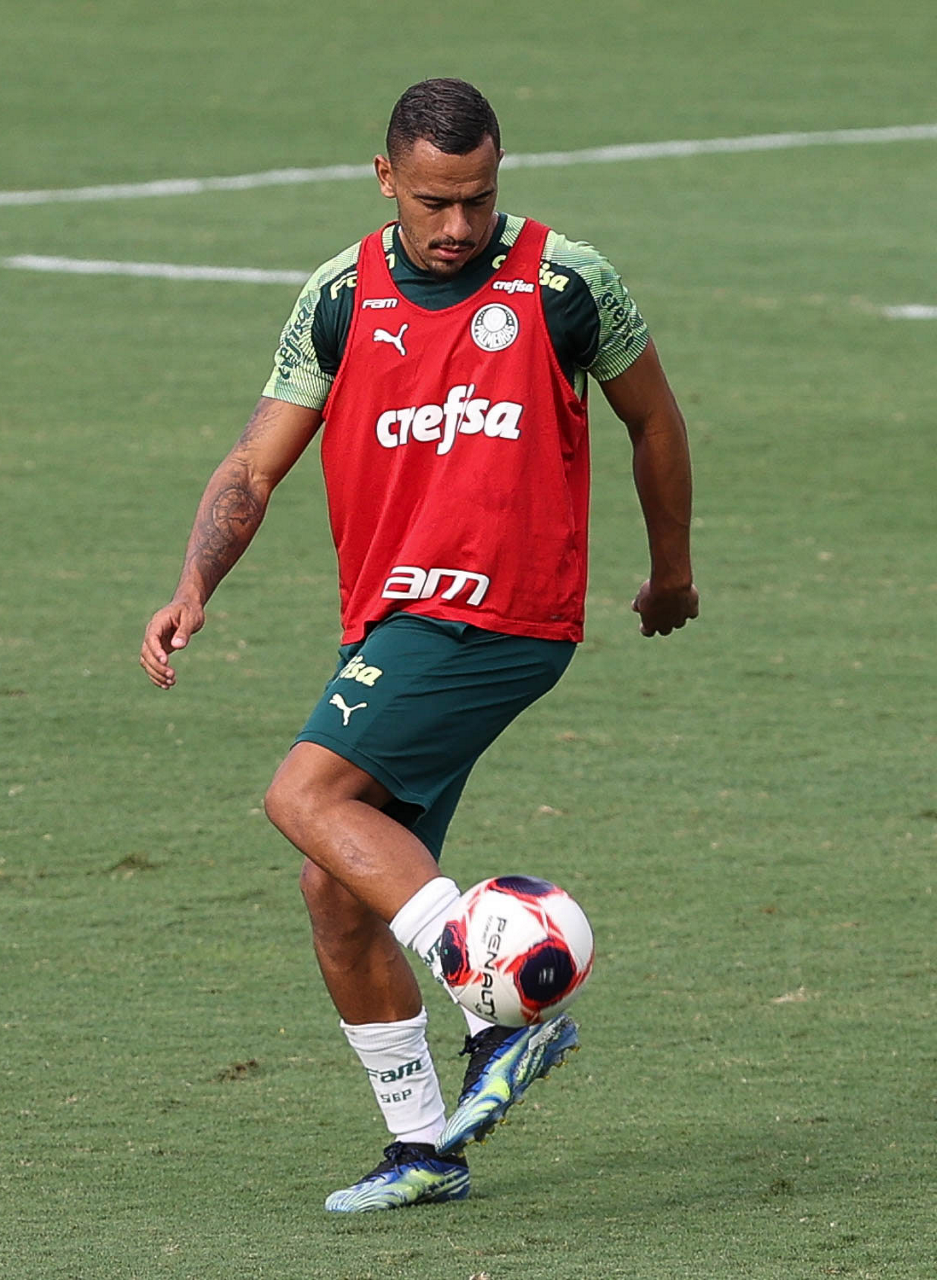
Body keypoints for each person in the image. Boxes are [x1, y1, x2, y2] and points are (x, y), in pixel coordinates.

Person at [140, 77, 698, 1213]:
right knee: (336, 888)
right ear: (385, 177)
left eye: (479, 198)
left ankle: (501, 1012)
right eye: (435, 201)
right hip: (395, 621)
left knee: (301, 794)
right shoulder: (342, 295)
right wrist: (195, 582)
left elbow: (653, 417)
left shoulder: (565, 281)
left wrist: (671, 570)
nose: (458, 225)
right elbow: (255, 463)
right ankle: (424, 1147)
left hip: (499, 611)